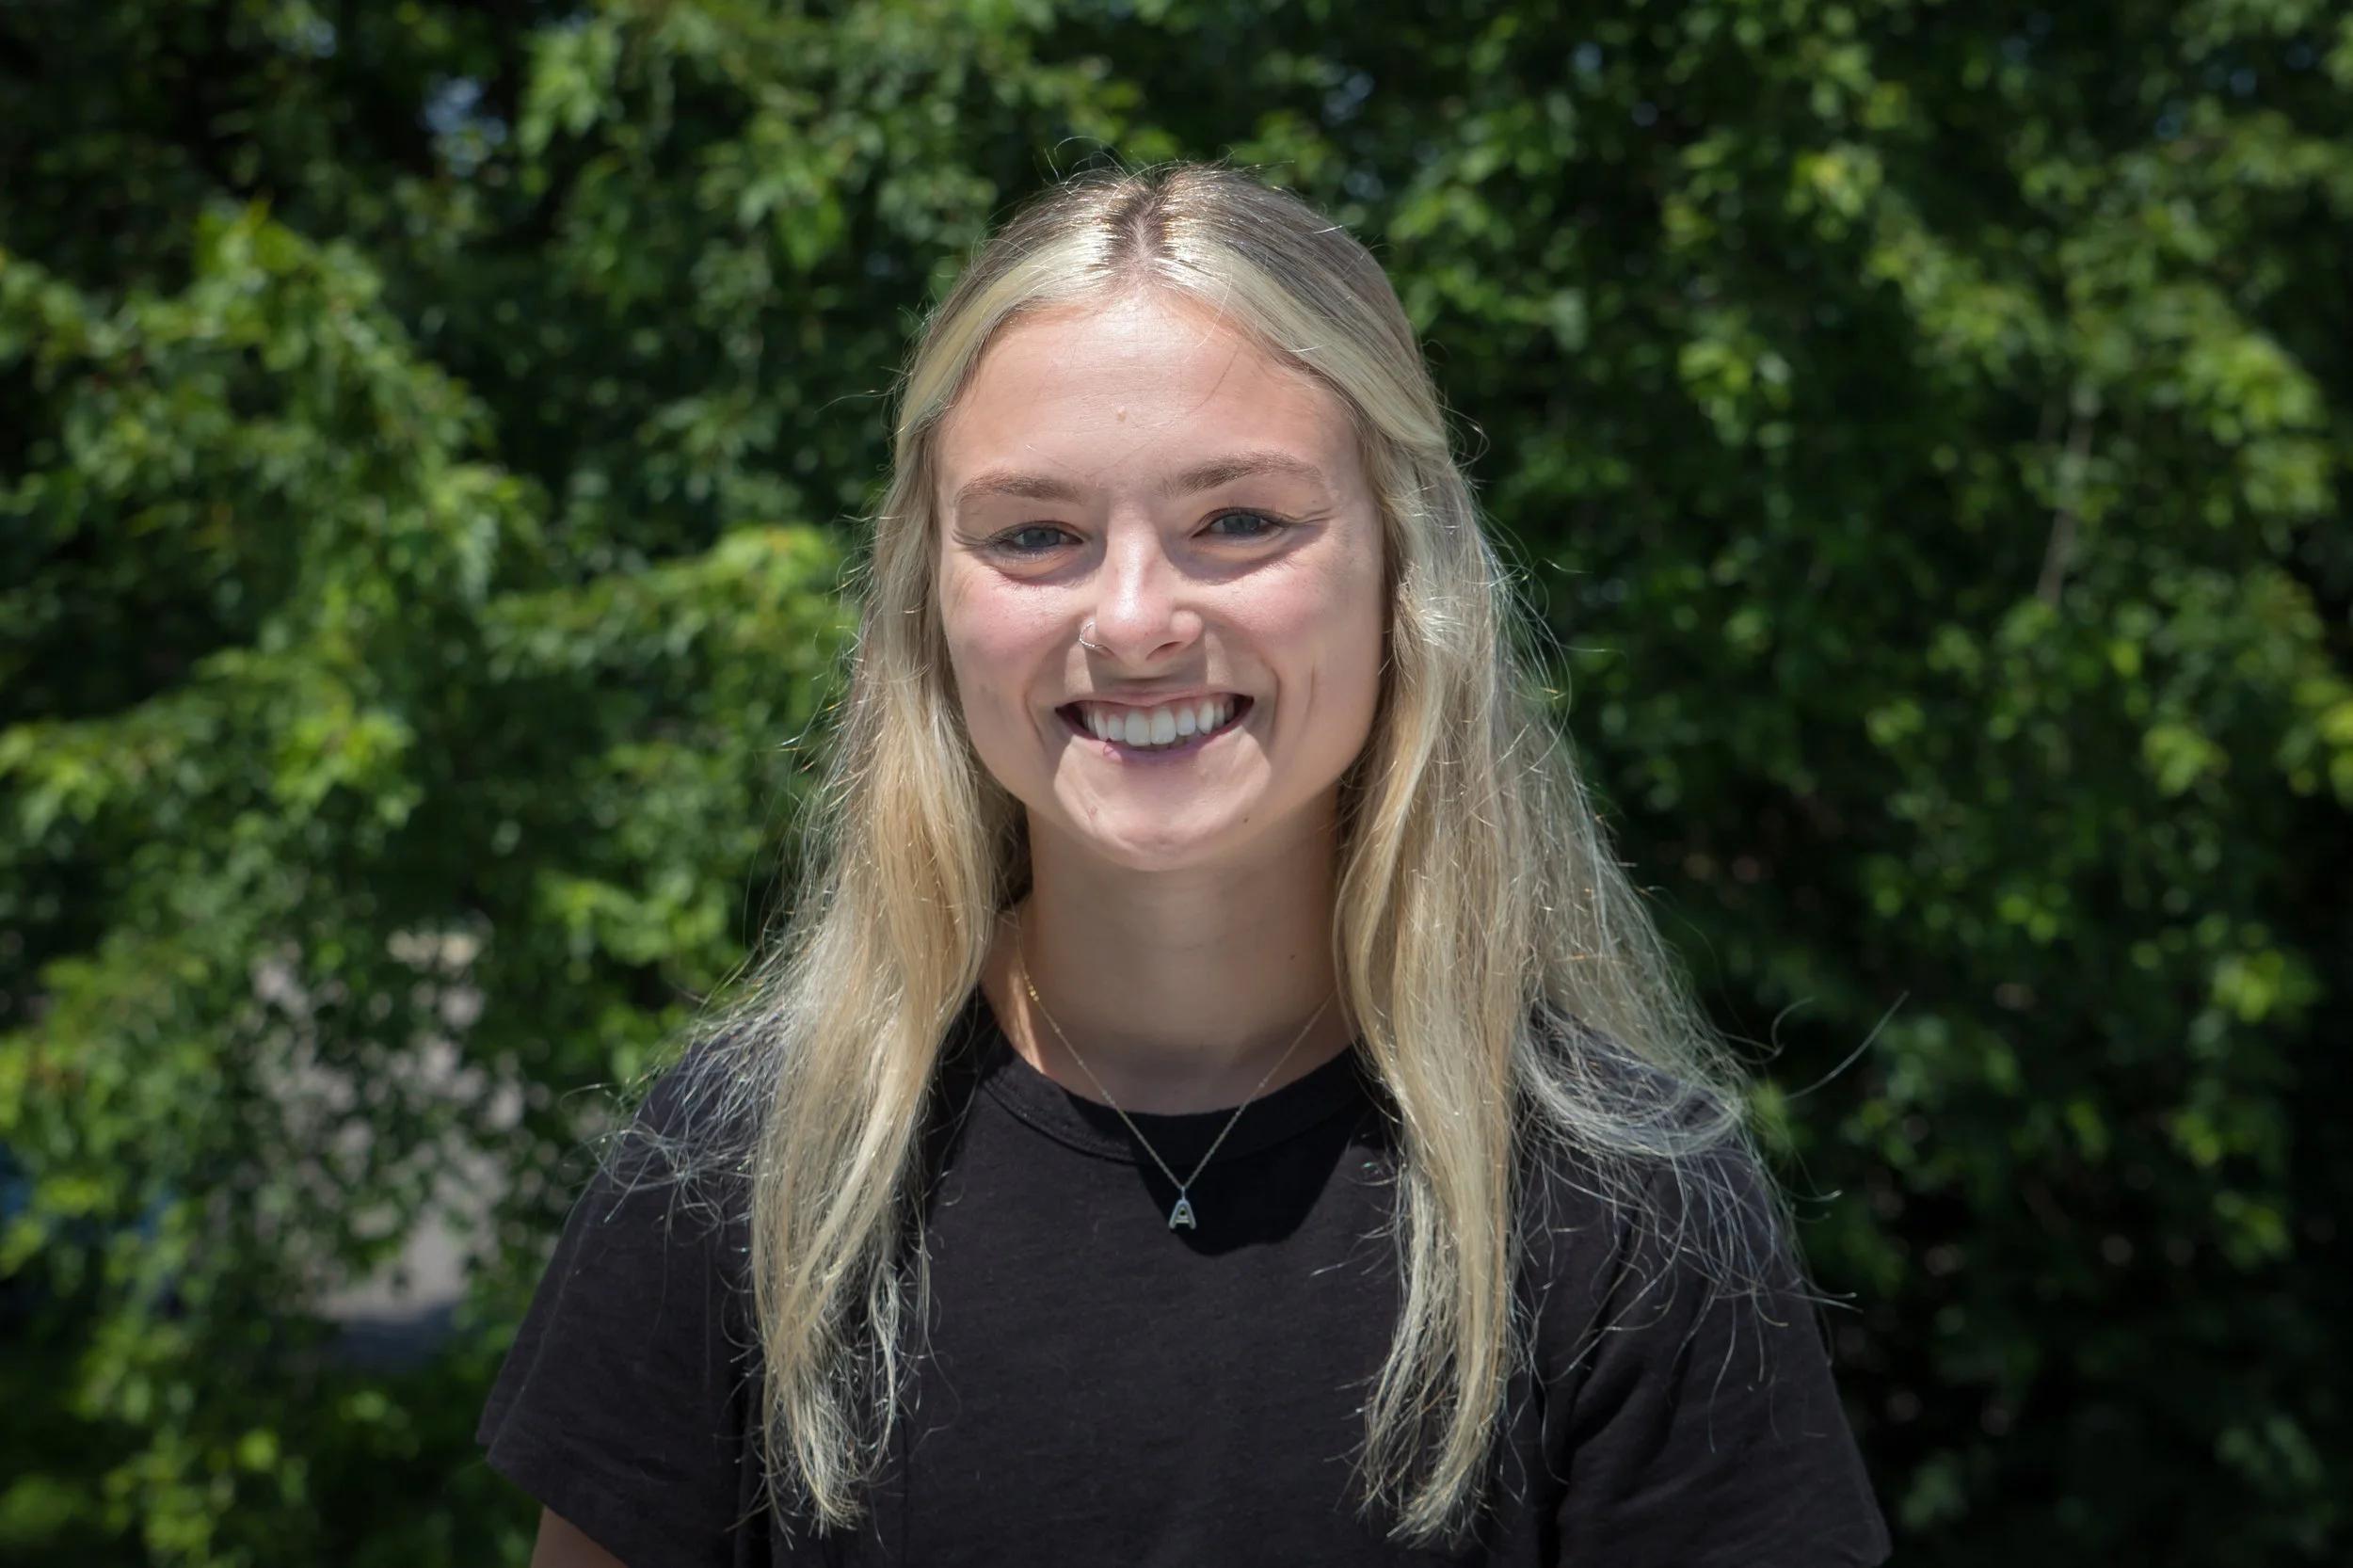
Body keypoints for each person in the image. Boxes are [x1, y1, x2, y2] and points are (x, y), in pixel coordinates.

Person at [480, 163, 1891, 1568]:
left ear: (1405, 571)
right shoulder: (752, 1163)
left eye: (1240, 521)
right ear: (932, 596)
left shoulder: (1628, 1208)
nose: (1136, 617)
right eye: (1038, 533)